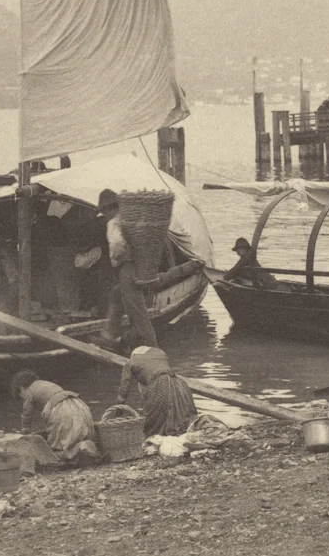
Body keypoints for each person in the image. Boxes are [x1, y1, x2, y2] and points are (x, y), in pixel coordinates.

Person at [97, 189, 159, 349]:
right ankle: (110, 335)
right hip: (139, 267)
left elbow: (117, 246)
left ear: (109, 209)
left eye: (104, 211)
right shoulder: (131, 219)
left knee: (138, 312)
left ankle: (152, 348)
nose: (104, 215)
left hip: (127, 268)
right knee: (117, 296)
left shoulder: (114, 223)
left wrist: (116, 259)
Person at [10, 369, 99, 465]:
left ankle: (72, 456)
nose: (23, 399)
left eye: (21, 396)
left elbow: (27, 411)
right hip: (78, 404)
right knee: (76, 435)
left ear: (22, 388)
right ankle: (85, 447)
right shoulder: (45, 384)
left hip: (61, 409)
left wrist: (25, 430)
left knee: (58, 443)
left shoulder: (29, 391)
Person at [116, 346, 197, 437]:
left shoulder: (130, 363)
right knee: (182, 418)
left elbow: (123, 391)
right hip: (179, 383)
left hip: (159, 385)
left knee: (151, 422)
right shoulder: (160, 353)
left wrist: (118, 412)